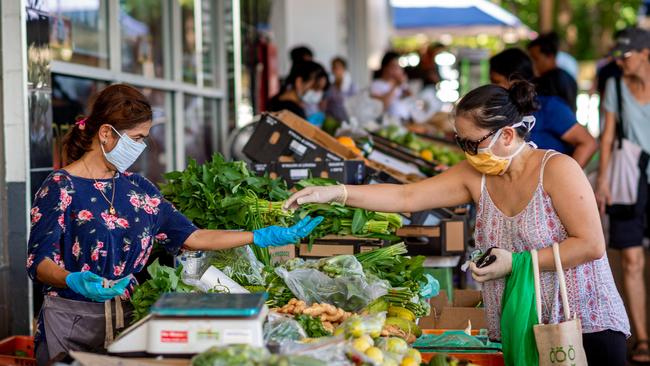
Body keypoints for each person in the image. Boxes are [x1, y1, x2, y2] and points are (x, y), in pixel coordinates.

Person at [285, 81, 630, 365]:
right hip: (523, 326)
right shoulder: (475, 175)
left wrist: (516, 263)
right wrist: (339, 192)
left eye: (472, 142)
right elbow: (407, 198)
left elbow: (591, 244)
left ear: (507, 135)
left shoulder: (557, 170)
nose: (466, 152)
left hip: (584, 325)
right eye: (460, 142)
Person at [28, 84, 323, 364]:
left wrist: (257, 236)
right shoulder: (60, 187)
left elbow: (193, 236)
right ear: (106, 133)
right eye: (138, 138)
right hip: (70, 320)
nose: (142, 146)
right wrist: (71, 279)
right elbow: (38, 261)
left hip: (127, 320)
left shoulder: (138, 189)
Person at [596, 27, 650, 364]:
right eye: (618, 55)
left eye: (626, 54)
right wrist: (602, 180)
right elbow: (606, 137)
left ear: (646, 53)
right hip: (629, 180)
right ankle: (642, 339)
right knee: (631, 260)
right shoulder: (615, 85)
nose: (621, 60)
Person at [489, 48, 597, 167]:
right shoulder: (501, 111)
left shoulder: (549, 107)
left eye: (496, 82)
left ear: (515, 81)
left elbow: (588, 144)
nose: (492, 88)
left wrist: (564, 180)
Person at [528, 32, 579, 112]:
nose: (532, 64)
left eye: (536, 59)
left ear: (550, 56)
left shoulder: (548, 82)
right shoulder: (568, 77)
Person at [370, 51, 412, 121]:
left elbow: (411, 100)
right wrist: (396, 86)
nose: (397, 70)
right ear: (385, 67)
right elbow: (381, 106)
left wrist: (404, 85)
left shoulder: (399, 83)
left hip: (405, 120)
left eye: (399, 67)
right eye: (394, 66)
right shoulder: (376, 84)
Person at [324, 56, 357, 123]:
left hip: (348, 121)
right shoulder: (329, 87)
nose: (335, 70)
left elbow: (355, 106)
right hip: (332, 122)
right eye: (333, 67)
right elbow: (326, 106)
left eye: (337, 67)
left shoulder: (352, 87)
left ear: (344, 69)